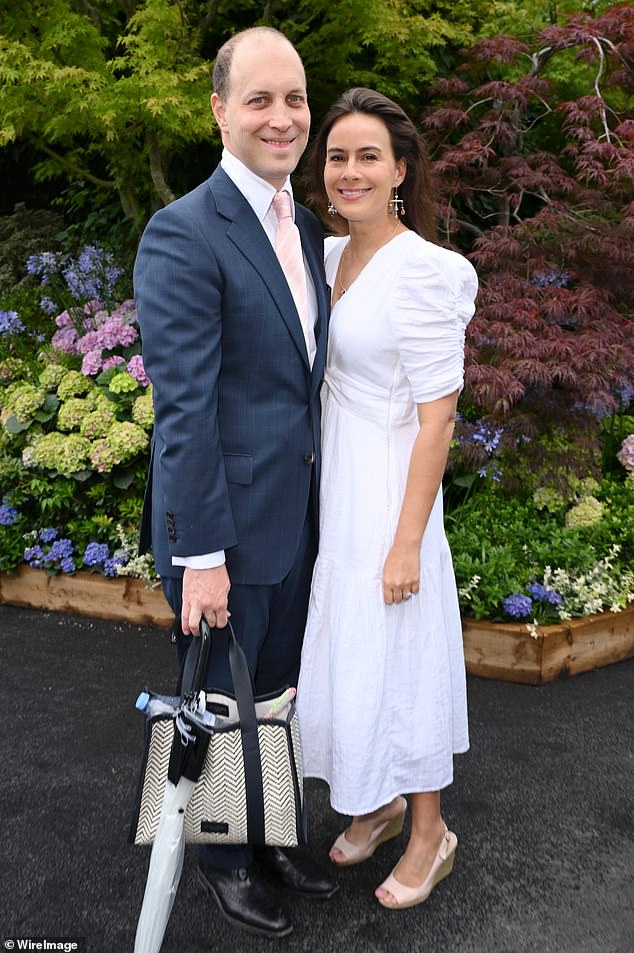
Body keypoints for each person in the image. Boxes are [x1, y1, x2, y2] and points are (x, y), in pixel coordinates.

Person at [133, 27, 335, 940]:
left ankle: (267, 832)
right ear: (218, 110)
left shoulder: (310, 230)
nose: (282, 117)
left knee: (278, 690)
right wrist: (200, 554)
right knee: (220, 699)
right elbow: (185, 411)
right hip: (224, 532)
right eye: (259, 99)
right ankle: (220, 859)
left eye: (294, 98)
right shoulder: (182, 232)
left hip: (294, 519)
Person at [297, 87, 477, 910]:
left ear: (401, 169)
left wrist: (408, 540)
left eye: (369, 155)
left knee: (401, 652)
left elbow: (439, 419)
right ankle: (375, 799)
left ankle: (430, 830)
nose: (350, 171)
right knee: (349, 649)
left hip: (395, 491)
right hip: (340, 483)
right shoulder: (327, 258)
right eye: (338, 155)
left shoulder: (427, 272)